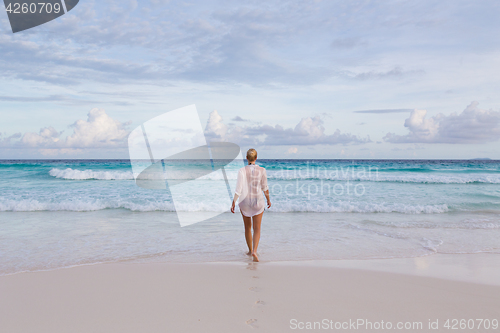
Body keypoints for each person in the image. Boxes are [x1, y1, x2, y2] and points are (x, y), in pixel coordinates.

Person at [230, 148, 271, 262]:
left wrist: (233, 202)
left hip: (245, 202)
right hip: (258, 201)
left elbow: (238, 189)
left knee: (247, 228)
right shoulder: (262, 170)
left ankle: (249, 250)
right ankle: (254, 251)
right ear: (256, 158)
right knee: (257, 228)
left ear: (247, 158)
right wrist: (268, 200)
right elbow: (264, 187)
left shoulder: (242, 170)